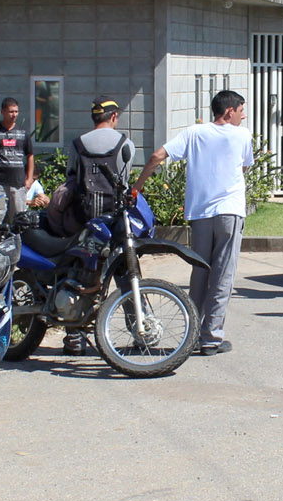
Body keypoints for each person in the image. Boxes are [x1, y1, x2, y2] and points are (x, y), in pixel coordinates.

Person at [134, 90, 253, 357]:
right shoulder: (242, 136)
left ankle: (191, 332)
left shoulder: (193, 133)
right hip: (229, 213)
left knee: (200, 272)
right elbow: (243, 168)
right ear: (229, 111)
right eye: (241, 110)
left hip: (200, 214)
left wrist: (137, 187)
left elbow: (156, 156)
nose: (243, 116)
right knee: (222, 275)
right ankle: (211, 338)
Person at [66, 98, 136, 222]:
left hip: (82, 216)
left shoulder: (77, 144)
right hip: (115, 216)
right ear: (114, 116)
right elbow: (125, 178)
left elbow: (70, 176)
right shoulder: (125, 144)